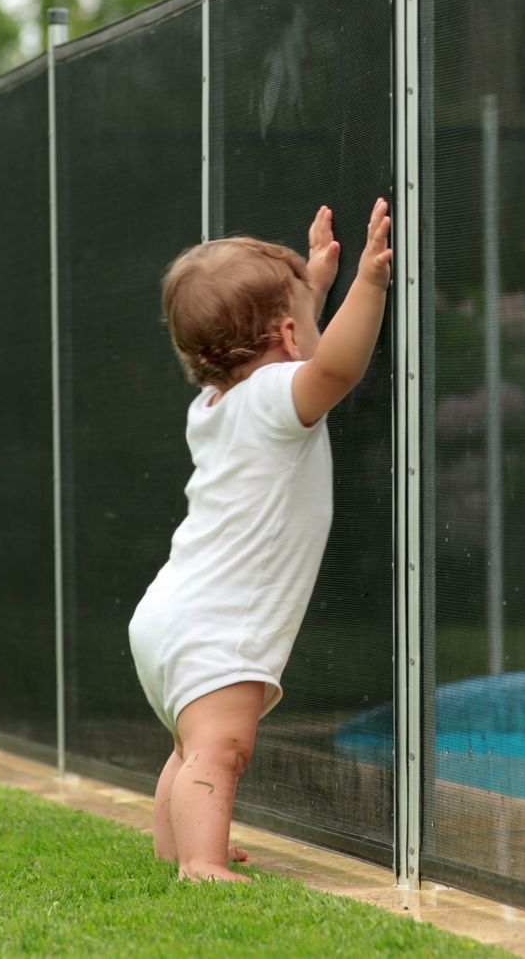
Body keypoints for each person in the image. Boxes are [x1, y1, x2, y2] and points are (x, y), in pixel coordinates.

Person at [128, 199, 393, 882]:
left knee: (193, 748)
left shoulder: (215, 407)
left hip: (170, 615)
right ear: (287, 336)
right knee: (221, 749)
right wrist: (367, 284)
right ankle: (202, 861)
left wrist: (312, 289)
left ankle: (178, 842)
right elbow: (333, 368)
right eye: (306, 315)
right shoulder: (278, 397)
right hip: (216, 624)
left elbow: (299, 346)